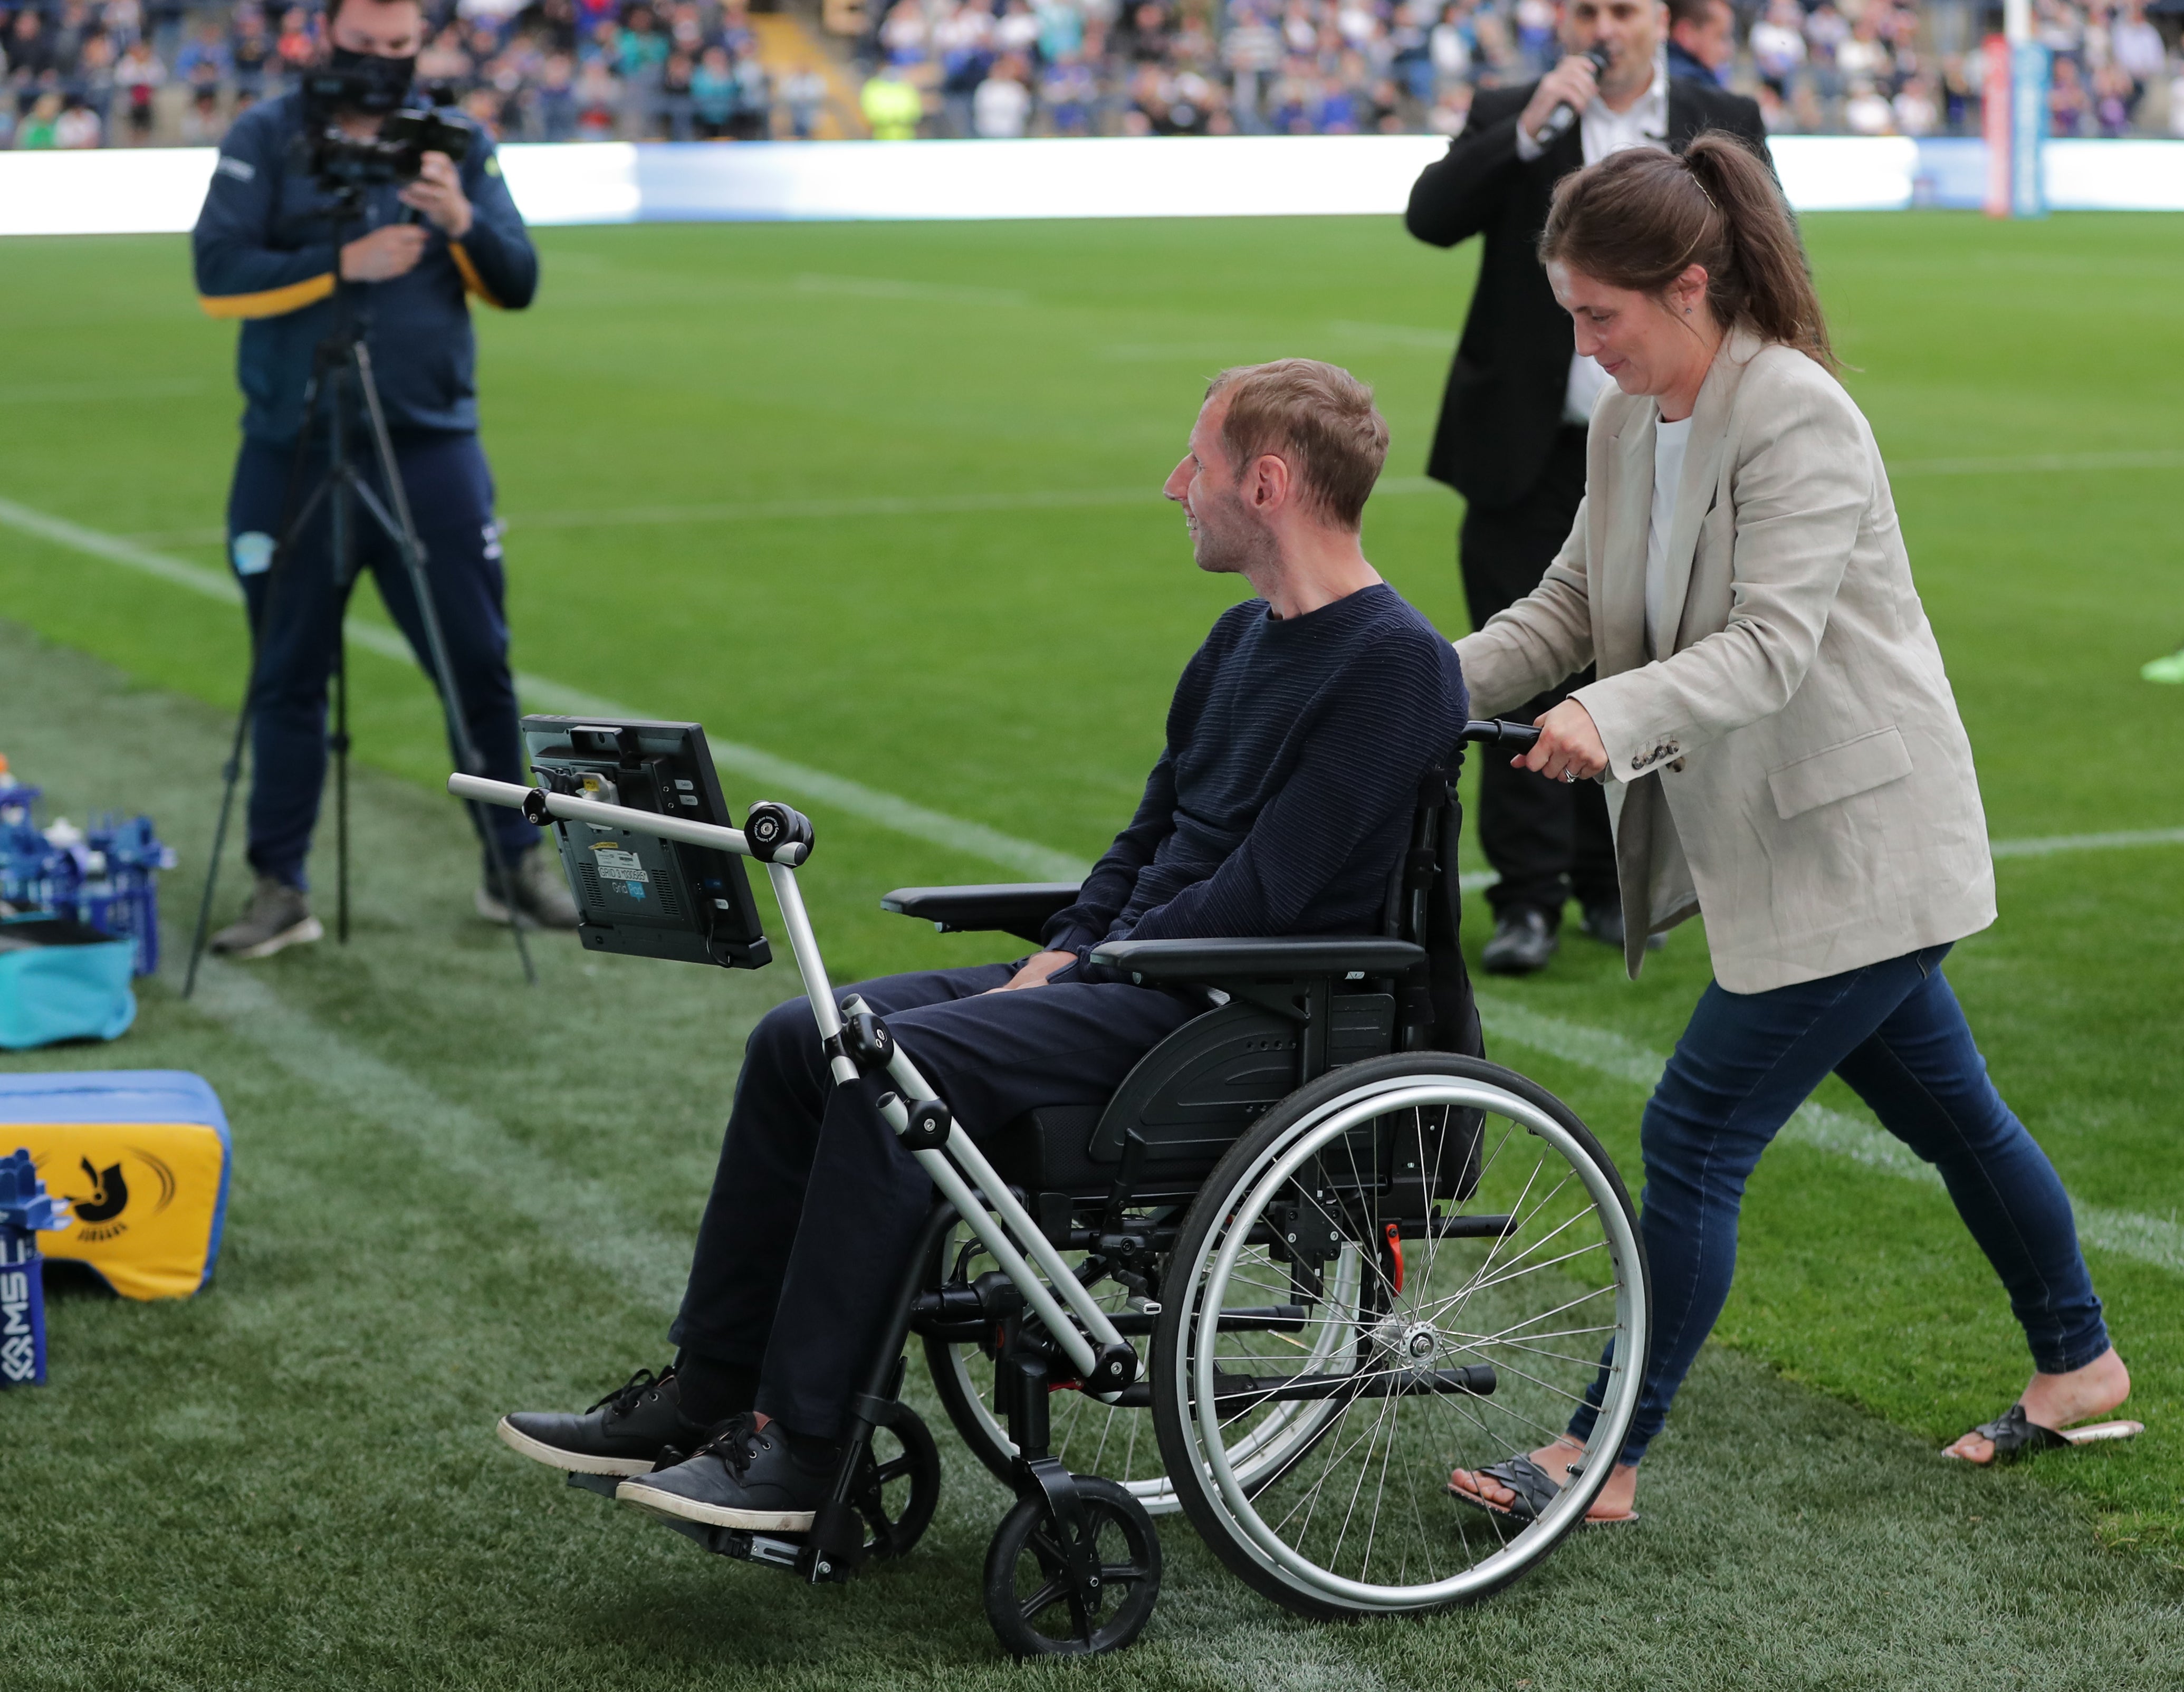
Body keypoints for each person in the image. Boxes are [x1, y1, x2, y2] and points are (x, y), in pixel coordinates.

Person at [495, 360, 1471, 1535]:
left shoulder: (1397, 664)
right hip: (1135, 973)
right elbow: (1146, 839)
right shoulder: (1234, 642)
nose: (1174, 485)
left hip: (1233, 1007)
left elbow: (1263, 892)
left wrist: (1095, 961)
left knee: (884, 1072)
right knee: (797, 1040)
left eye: (1195, 464)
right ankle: (706, 1391)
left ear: (1264, 484)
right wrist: (1066, 944)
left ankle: (798, 1452)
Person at [1446, 135, 2139, 1527]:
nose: (1583, 346)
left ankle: (1601, 1453)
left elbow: (1768, 646)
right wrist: (1406, 682)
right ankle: (2077, 1356)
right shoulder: (1629, 420)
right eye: (1568, 318)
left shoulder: (1795, 413)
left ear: (1689, 286)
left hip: (1864, 841)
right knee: (1952, 1110)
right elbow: (1567, 608)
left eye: (1600, 317)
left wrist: (1612, 715)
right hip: (1784, 842)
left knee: (1692, 1131)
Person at [192, 0, 576, 959]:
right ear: (325, 36)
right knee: (286, 675)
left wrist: (458, 222)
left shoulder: (455, 138)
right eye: (365, 48)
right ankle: (280, 883)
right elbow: (216, 273)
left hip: (431, 448)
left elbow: (520, 279)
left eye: (401, 49)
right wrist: (341, 263)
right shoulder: (266, 133)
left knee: (477, 665)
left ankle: (511, 866)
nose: (383, 66)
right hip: (294, 445)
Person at [1405, 0, 1764, 977]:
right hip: (1528, 440)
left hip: (1669, 436)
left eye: (1622, 8)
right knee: (1531, 652)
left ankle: (1615, 882)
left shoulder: (1718, 116)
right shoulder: (1517, 105)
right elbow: (1429, 219)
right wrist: (1522, 131)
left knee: (1639, 659)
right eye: (1585, 9)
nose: (1603, 25)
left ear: (1662, 19)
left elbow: (1767, 262)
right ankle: (1528, 899)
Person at [1665, 0, 1732, 87]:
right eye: (1720, 37)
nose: (1727, 52)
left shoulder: (1654, 72)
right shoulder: (1698, 84)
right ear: (1685, 33)